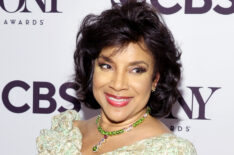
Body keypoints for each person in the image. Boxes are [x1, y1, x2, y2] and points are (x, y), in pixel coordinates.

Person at [36, 0, 197, 154]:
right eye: (107, 66)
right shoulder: (67, 134)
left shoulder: (171, 151)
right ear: (92, 69)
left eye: (136, 70)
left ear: (155, 79)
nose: (118, 84)